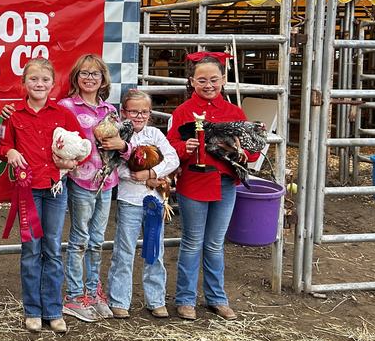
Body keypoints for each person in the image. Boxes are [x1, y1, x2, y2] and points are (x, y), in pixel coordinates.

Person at [166, 52, 255, 321]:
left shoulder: (234, 112)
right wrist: (185, 147)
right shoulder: (183, 112)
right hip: (194, 182)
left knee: (215, 243)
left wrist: (243, 153)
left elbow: (251, 147)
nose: (208, 85)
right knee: (193, 242)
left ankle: (217, 298)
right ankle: (185, 299)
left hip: (224, 183)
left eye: (214, 79)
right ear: (192, 81)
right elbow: (170, 147)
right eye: (202, 80)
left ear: (223, 80)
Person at [0, 58, 82, 334]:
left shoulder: (63, 114)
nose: (39, 84)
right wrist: (10, 151)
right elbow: (2, 146)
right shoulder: (13, 115)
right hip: (28, 190)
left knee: (53, 247)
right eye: (33, 79)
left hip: (55, 188)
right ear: (24, 82)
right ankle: (32, 310)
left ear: (53, 83)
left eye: (45, 79)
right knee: (31, 249)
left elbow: (82, 146)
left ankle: (53, 310)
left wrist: (72, 162)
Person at [103, 89, 179, 319]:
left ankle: (156, 299)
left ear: (150, 113)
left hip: (155, 200)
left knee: (155, 249)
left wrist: (151, 173)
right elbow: (115, 167)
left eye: (144, 112)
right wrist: (140, 176)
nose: (139, 116)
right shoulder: (119, 135)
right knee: (124, 250)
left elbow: (173, 158)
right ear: (124, 112)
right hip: (129, 200)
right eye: (134, 111)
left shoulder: (155, 134)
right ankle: (119, 299)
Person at [57, 55, 118, 322]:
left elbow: (119, 145)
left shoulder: (110, 111)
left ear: (103, 79)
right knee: (80, 238)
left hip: (107, 180)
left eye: (95, 73)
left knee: (97, 239)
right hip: (81, 180)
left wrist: (119, 145)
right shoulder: (66, 107)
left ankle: (93, 292)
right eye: (84, 73)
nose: (90, 78)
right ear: (76, 77)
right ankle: (74, 295)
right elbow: (57, 142)